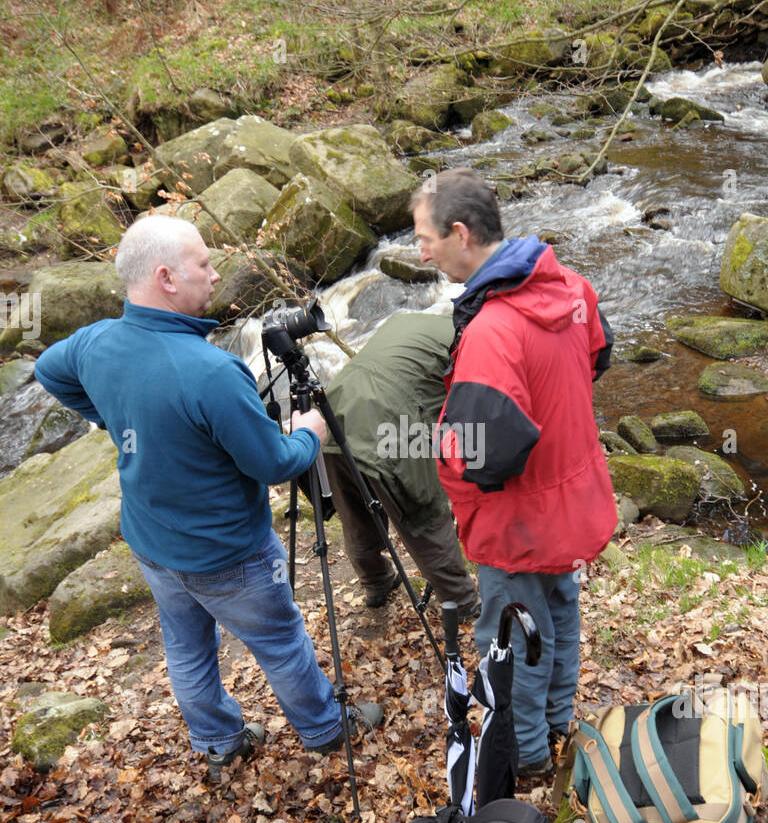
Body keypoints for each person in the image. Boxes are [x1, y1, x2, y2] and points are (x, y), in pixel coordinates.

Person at [34, 215, 380, 782]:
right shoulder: (212, 372)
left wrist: (116, 419)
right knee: (280, 640)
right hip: (229, 554)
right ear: (167, 277)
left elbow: (50, 370)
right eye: (204, 265)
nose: (216, 275)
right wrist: (309, 431)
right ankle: (324, 729)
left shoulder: (97, 342)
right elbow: (273, 464)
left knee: (188, 647)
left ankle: (219, 742)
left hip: (152, 541)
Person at [411, 169, 616, 778]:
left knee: (510, 639)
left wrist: (435, 440)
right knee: (558, 613)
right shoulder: (573, 288)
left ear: (460, 233)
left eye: (424, 238)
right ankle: (557, 725)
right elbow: (598, 357)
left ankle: (526, 758)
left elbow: (483, 456)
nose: (419, 252)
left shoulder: (493, 330)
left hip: (518, 525)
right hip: (573, 502)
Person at [321, 310, 479, 619]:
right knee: (424, 514)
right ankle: (461, 602)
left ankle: (377, 581)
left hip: (331, 414)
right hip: (387, 422)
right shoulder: (473, 340)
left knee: (355, 511)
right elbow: (471, 406)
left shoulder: (407, 320)